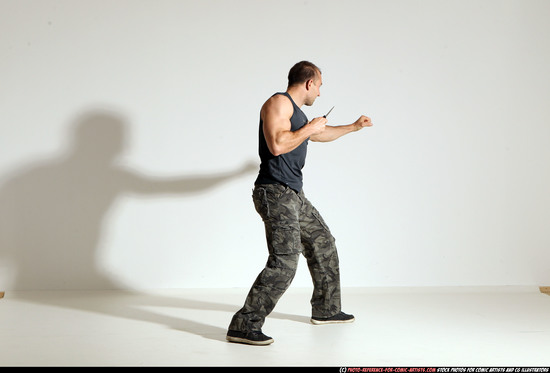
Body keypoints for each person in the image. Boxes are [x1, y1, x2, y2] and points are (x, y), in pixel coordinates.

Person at [226, 61, 373, 345]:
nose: (319, 92)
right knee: (285, 260)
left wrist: (354, 127)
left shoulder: (299, 115)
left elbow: (320, 134)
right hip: (274, 192)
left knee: (323, 242)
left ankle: (327, 310)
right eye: (319, 85)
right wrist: (310, 127)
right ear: (309, 83)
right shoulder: (278, 104)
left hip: (294, 194)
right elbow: (278, 145)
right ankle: (244, 324)